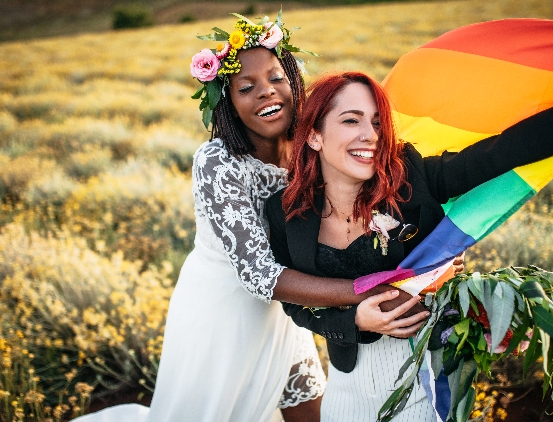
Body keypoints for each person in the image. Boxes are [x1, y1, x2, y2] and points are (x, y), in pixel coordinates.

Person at [75, 12, 434, 422]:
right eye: (246, 87)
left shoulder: (308, 144)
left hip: (294, 300)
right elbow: (259, 276)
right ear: (227, 102)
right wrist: (368, 288)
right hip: (224, 312)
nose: (266, 92)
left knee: (307, 405)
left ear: (295, 81)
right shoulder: (217, 163)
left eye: (277, 77)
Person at [265, 70, 553, 421]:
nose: (370, 135)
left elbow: (506, 150)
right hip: (346, 383)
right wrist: (354, 320)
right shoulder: (285, 213)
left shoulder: (414, 179)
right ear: (313, 136)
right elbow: (296, 301)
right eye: (351, 121)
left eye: (377, 123)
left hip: (427, 375)